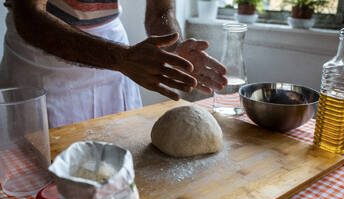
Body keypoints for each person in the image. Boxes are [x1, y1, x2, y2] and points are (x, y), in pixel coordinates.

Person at [0, 0, 227, 128]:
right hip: (43, 55)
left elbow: (161, 12)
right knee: (44, 177)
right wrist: (121, 58)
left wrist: (173, 46)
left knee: (119, 161)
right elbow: (29, 17)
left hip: (116, 49)